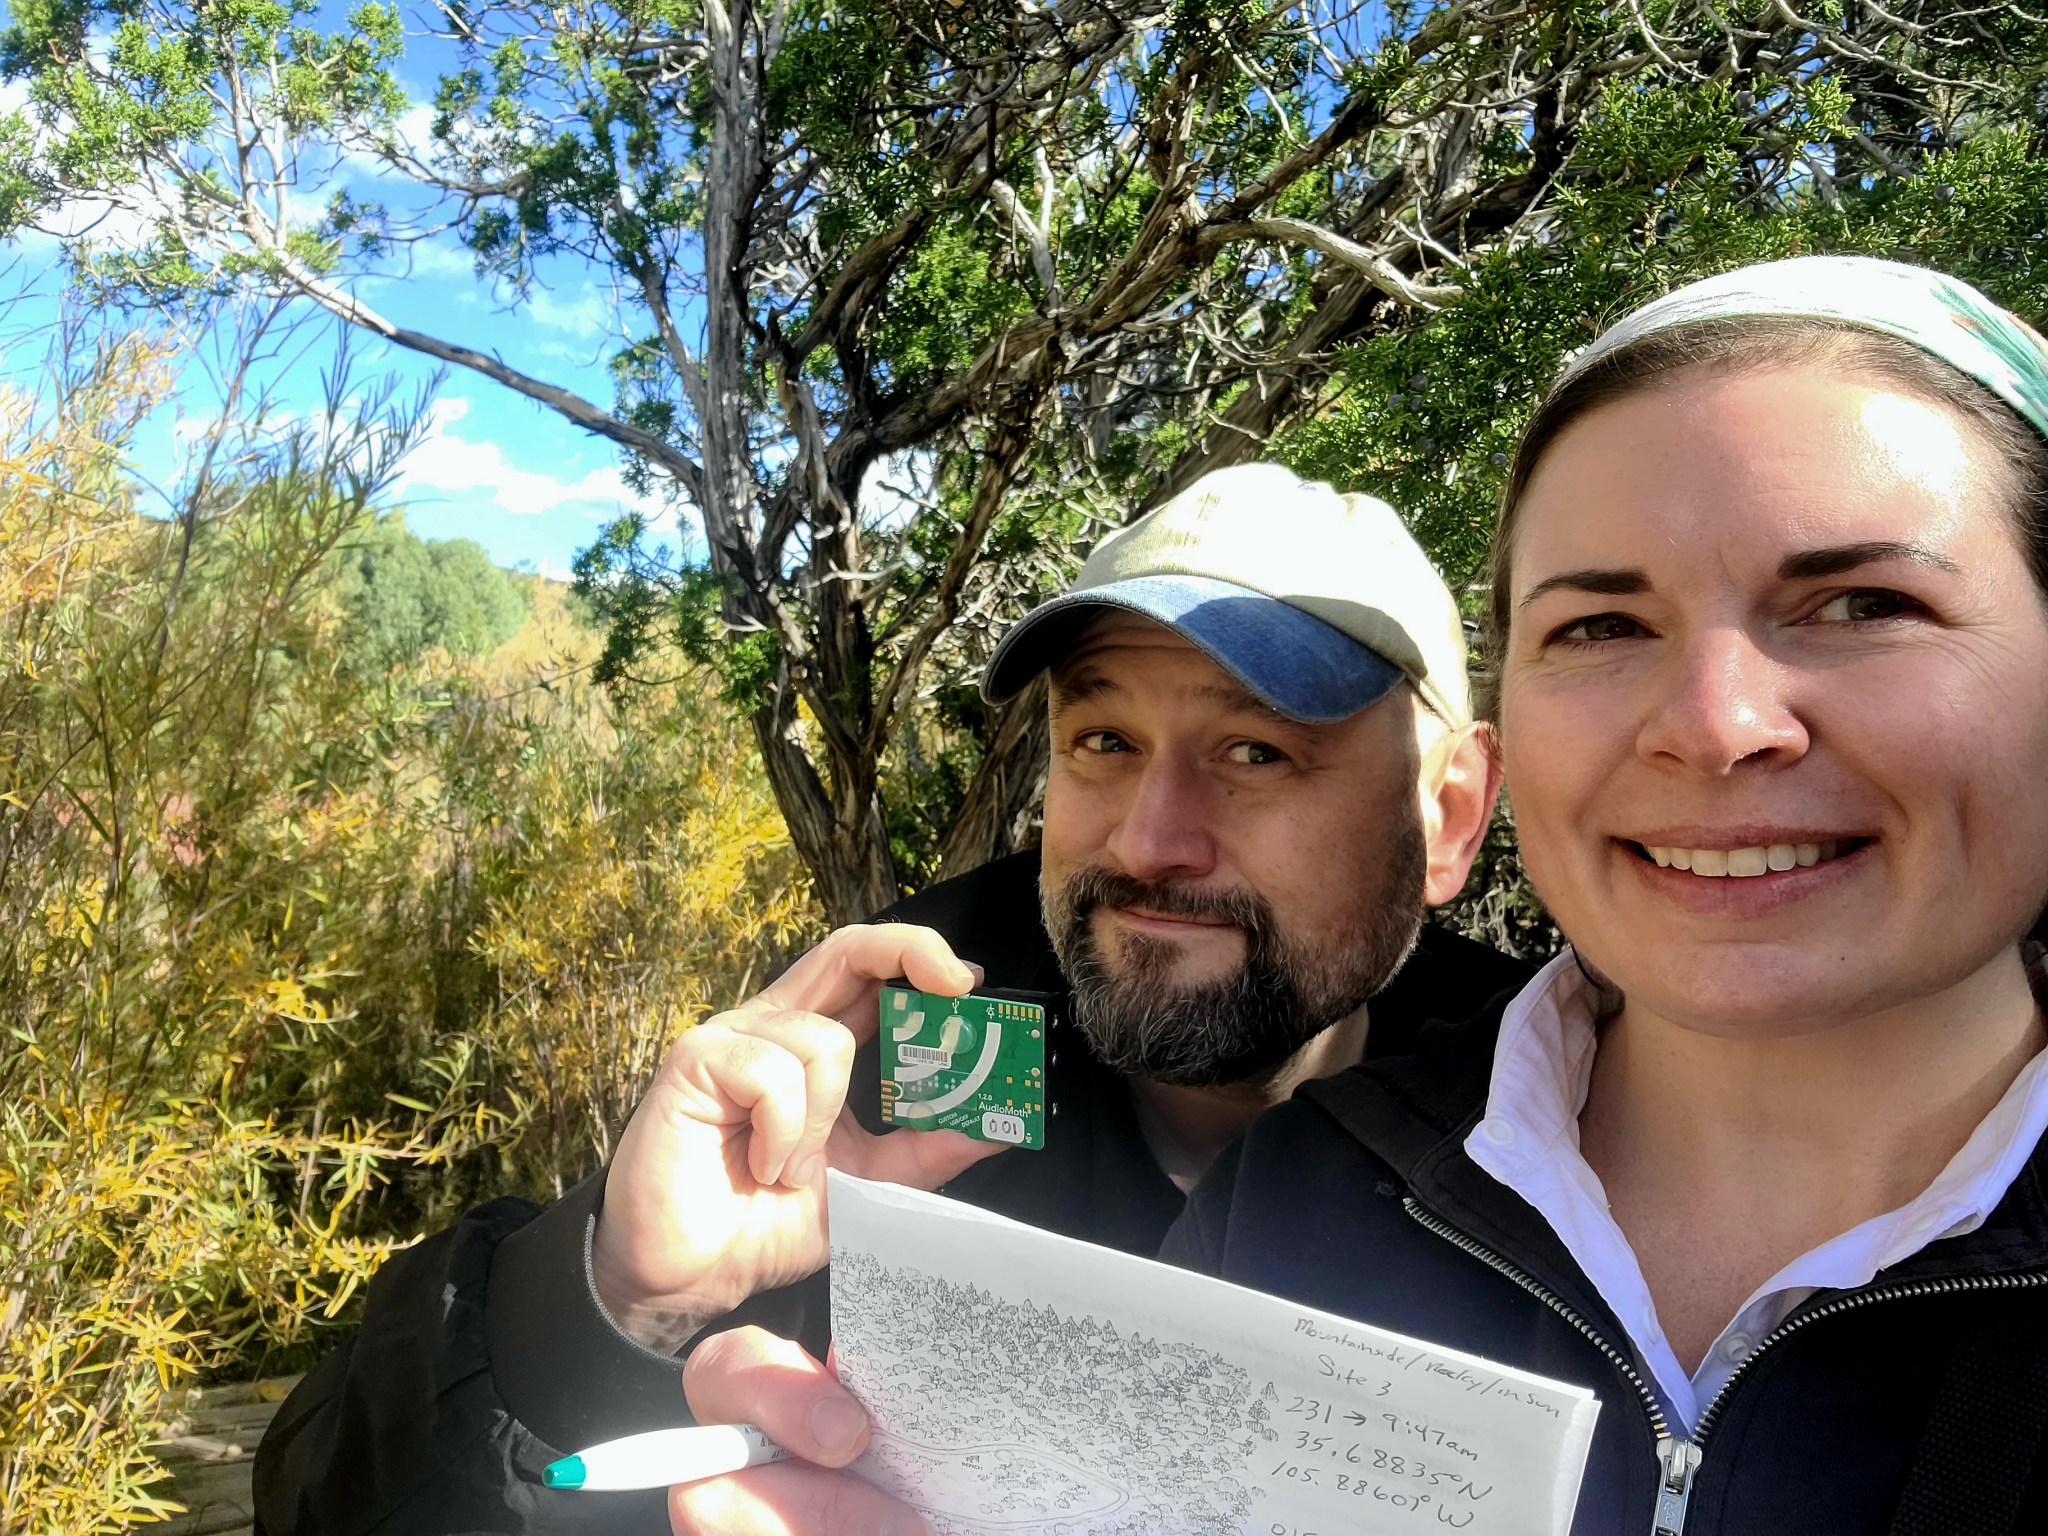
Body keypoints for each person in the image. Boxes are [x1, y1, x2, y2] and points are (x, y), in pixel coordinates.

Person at [671, 256, 2048, 1536]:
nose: (1715, 720)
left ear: (1455, 811)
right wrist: (630, 1301)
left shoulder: (1380, 1132)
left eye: (1866, 604)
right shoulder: (966, 1041)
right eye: (1602, 626)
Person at [253, 464, 1528, 1535]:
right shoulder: (900, 1064)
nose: (1150, 839)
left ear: (1446, 816)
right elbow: (317, 1500)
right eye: (1102, 741)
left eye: (1254, 752)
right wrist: (609, 1305)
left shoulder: (1574, 1139)